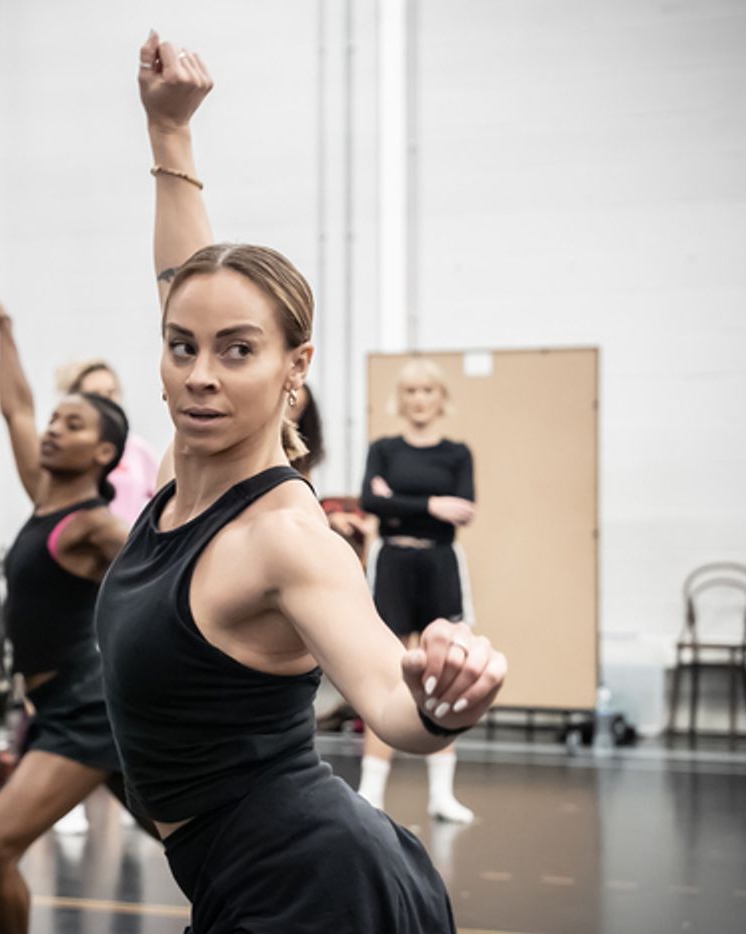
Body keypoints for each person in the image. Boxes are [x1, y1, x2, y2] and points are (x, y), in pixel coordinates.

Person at [93, 33, 507, 932]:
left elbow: (392, 705)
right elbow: (185, 281)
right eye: (182, 347)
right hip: (243, 868)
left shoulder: (285, 533)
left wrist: (443, 703)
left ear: (295, 367)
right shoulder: (177, 479)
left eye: (238, 351)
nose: (201, 373)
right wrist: (170, 135)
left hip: (310, 881)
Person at [0, 277, 153, 934]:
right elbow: (16, 409)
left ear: (103, 453)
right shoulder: (46, 497)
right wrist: (5, 327)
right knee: (199, 847)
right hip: (56, 704)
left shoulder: (95, 525)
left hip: (86, 707)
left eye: (71, 424)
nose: (50, 429)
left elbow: (160, 577)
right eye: (55, 419)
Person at [356, 358, 479, 823]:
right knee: (385, 669)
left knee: (443, 671)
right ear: (400, 399)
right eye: (410, 391)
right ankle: (371, 789)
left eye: (428, 390)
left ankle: (442, 794)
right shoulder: (383, 448)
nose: (419, 399)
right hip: (392, 564)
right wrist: (431, 503)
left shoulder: (457, 453)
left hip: (439, 564)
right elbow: (369, 501)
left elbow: (464, 508)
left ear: (441, 398)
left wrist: (397, 502)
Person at [55, 359, 160, 523]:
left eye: (111, 393)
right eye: (96, 395)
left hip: (127, 544)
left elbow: (166, 503)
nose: (107, 401)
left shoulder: (139, 450)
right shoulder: (63, 451)